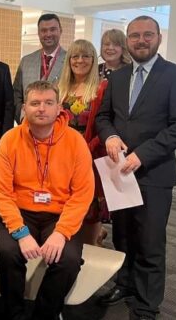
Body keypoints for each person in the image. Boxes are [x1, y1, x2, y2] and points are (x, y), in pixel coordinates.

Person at [96, 16, 176, 320]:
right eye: (135, 35)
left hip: (154, 173)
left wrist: (143, 154)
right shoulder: (118, 77)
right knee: (123, 236)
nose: (141, 40)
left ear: (159, 38)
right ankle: (124, 283)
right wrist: (110, 136)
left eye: (147, 35)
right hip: (119, 173)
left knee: (150, 241)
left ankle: (146, 304)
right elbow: (103, 117)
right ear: (128, 40)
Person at [0, 80, 94, 320]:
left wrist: (61, 232)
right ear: (24, 107)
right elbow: (2, 193)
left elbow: (82, 194)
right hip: (20, 211)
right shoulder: (9, 140)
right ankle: (14, 314)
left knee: (68, 260)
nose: (41, 109)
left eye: (48, 103)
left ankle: (44, 314)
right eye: (35, 103)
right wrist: (20, 233)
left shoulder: (75, 142)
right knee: (7, 254)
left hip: (59, 214)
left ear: (59, 107)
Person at [58, 39, 109, 246]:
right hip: (62, 157)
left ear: (93, 59)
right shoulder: (60, 88)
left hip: (90, 156)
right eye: (75, 56)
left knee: (89, 210)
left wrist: (87, 148)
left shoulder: (102, 88)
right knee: (65, 207)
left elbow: (106, 124)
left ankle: (93, 245)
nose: (80, 60)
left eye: (86, 56)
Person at [13, 13, 66, 123]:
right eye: (44, 30)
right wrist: (23, 117)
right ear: (38, 33)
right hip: (28, 125)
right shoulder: (26, 61)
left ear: (60, 30)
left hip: (59, 127)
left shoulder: (70, 61)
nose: (48, 34)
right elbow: (16, 94)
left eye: (53, 29)